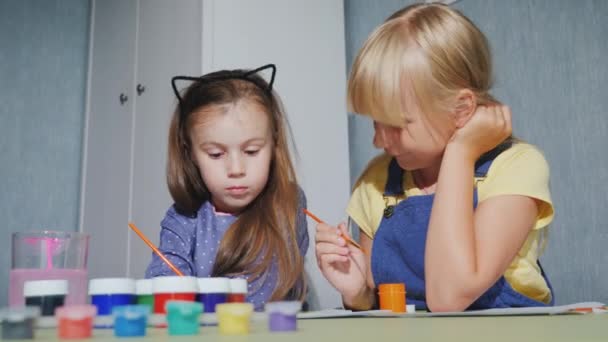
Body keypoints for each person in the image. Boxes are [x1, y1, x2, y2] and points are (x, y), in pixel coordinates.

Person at [315, 3, 554, 312]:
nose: (378, 141)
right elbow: (383, 307)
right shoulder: (377, 183)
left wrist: (460, 151)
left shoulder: (516, 168)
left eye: (397, 124)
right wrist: (358, 293)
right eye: (375, 122)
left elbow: (450, 296)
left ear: (461, 109)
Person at [146, 65, 308, 311]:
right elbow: (163, 285)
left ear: (274, 143)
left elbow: (293, 289)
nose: (236, 169)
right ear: (191, 155)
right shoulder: (183, 220)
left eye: (252, 151)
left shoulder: (290, 202)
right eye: (216, 153)